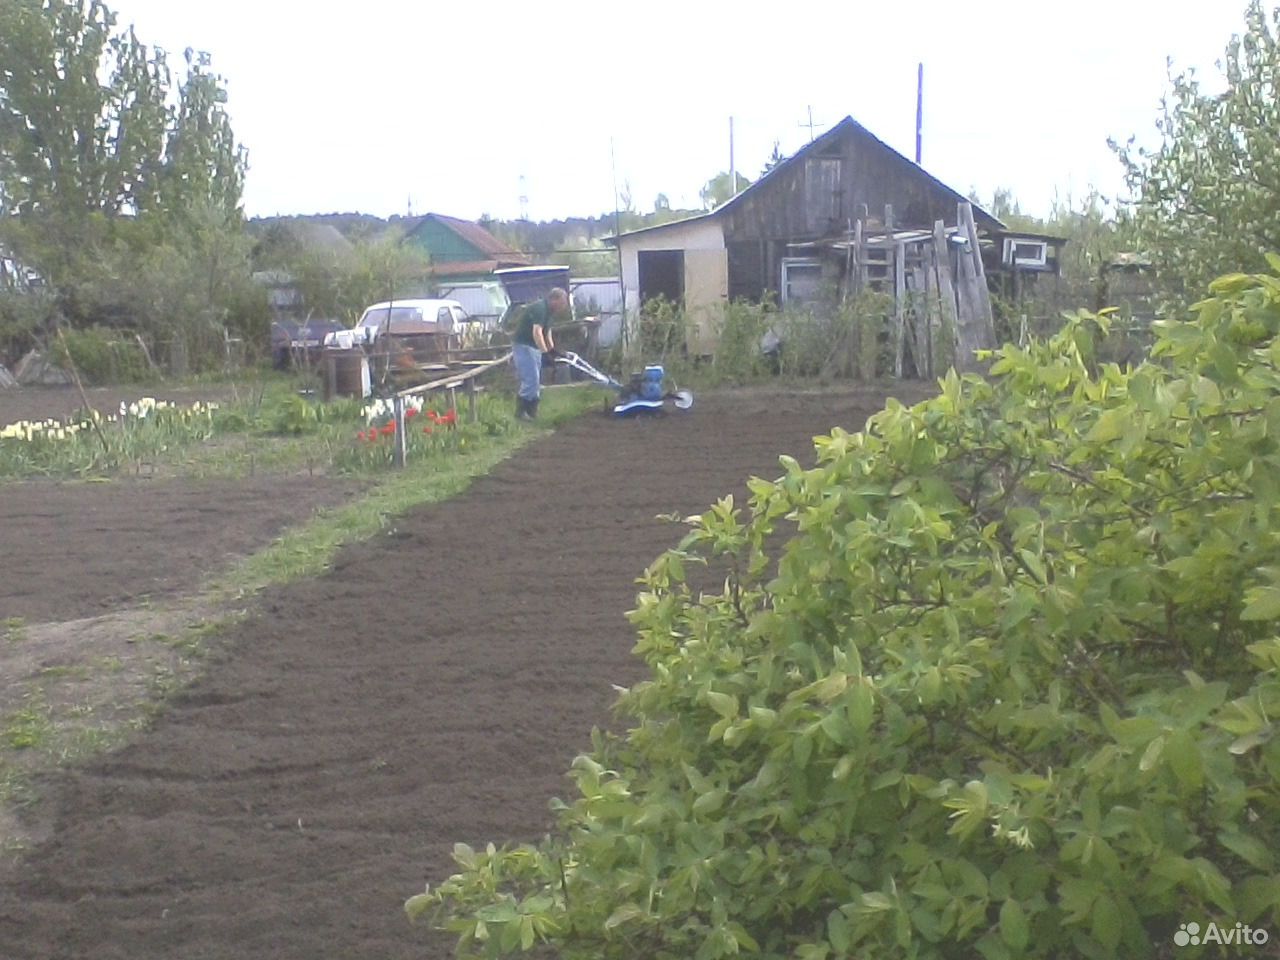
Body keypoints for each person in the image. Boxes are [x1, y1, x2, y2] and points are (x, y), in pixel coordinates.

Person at [511, 287, 569, 420]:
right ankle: (520, 413)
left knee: (536, 381)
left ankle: (531, 412)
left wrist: (552, 350)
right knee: (531, 379)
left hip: (534, 347)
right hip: (524, 345)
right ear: (554, 300)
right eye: (562, 302)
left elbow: (547, 331)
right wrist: (545, 353)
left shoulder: (549, 312)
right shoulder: (540, 309)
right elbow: (537, 332)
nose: (563, 306)